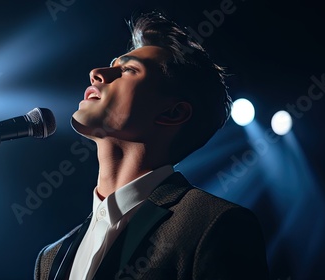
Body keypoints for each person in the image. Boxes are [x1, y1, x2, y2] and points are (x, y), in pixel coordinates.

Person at [34, 12, 269, 280]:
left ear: (173, 113)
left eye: (129, 70)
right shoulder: (51, 258)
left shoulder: (215, 225)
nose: (97, 73)